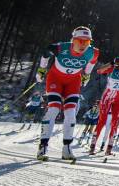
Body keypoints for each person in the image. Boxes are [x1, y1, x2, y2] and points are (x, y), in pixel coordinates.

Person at [36, 26, 99, 161]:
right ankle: (43, 148)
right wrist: (41, 69)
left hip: (73, 82)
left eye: (86, 42)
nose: (83, 45)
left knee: (71, 114)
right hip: (55, 79)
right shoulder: (61, 48)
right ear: (73, 40)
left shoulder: (93, 52)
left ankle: (67, 149)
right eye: (79, 41)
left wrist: (86, 75)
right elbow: (46, 51)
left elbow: (91, 64)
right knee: (53, 109)